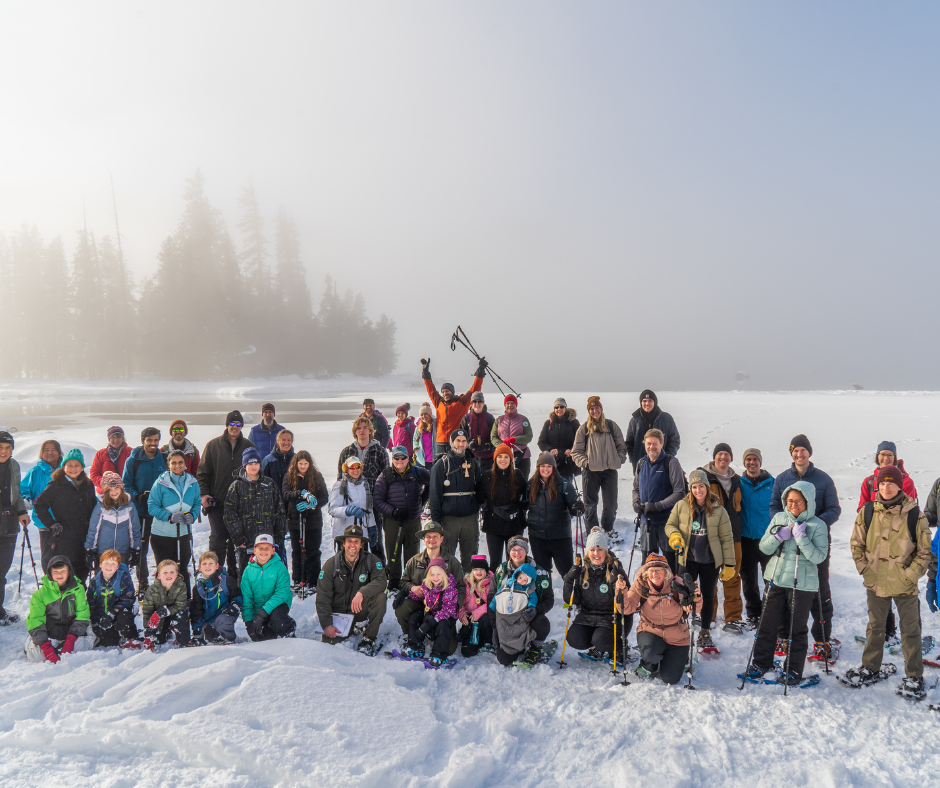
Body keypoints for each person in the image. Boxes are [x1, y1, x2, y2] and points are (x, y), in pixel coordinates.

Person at [845, 465, 931, 698]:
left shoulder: (915, 514)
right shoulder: (868, 511)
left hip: (904, 584)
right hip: (875, 581)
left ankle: (914, 675)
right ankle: (870, 667)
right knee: (875, 627)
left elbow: (924, 553)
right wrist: (865, 569)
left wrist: (909, 576)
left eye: (891, 483)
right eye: (882, 483)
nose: (886, 487)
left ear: (900, 485)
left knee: (910, 630)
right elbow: (856, 544)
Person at [742, 482, 829, 685]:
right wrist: (778, 536)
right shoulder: (779, 518)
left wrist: (801, 539)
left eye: (798, 500)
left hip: (802, 585)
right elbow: (763, 547)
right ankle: (761, 663)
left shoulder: (818, 525)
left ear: (807, 501)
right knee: (767, 624)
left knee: (796, 629)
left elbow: (818, 557)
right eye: (790, 501)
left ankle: (793, 671)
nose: (793, 504)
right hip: (776, 579)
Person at [769, 434, 841, 650]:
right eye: (795, 450)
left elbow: (834, 509)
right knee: (785, 589)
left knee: (819, 590)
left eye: (803, 450)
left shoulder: (823, 479)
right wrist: (784, 526)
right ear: (791, 454)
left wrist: (814, 525)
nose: (799, 454)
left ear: (809, 452)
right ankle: (784, 636)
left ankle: (821, 639)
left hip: (816, 544)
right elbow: (774, 507)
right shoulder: (782, 479)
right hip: (788, 544)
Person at [664, 469, 735, 652]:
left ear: (707, 487)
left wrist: (729, 564)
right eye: (694, 487)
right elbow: (670, 525)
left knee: (707, 594)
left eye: (701, 486)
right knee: (683, 593)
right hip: (688, 558)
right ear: (691, 488)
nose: (698, 490)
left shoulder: (719, 510)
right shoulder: (681, 506)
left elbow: (727, 538)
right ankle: (679, 626)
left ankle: (704, 631)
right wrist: (674, 536)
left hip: (710, 560)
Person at [615, 554, 692, 685]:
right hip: (651, 630)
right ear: (646, 572)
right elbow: (626, 609)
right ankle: (649, 665)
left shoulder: (676, 583)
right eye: (651, 570)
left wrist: (695, 596)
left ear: (665, 571)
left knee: (670, 679)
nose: (654, 574)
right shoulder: (641, 584)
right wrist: (620, 591)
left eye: (658, 570)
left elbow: (691, 609)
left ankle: (680, 659)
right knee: (651, 653)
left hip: (677, 636)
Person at [198, 410, 257, 577]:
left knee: (237, 542)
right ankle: (214, 576)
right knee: (218, 539)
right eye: (232, 423)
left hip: (241, 505)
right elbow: (203, 473)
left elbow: (256, 474)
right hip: (217, 503)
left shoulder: (249, 447)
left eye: (238, 424)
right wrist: (204, 495)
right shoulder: (213, 445)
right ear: (227, 425)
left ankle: (235, 578)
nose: (235, 427)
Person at [316, 524, 386, 653]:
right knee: (329, 648)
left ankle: (369, 637)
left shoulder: (371, 560)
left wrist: (362, 592)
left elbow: (381, 581)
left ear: (361, 545)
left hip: (359, 609)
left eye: (356, 541)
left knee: (380, 597)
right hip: (339, 614)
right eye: (349, 541)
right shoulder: (331, 564)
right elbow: (322, 596)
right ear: (343, 543)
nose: (352, 545)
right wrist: (326, 624)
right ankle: (348, 628)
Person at [562, 527, 628, 659]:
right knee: (574, 639)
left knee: (602, 640)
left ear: (606, 551)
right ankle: (596, 646)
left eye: (600, 549)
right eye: (592, 550)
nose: (596, 553)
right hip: (588, 616)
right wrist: (569, 580)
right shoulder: (582, 571)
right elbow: (572, 600)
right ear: (588, 552)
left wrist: (618, 583)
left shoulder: (615, 568)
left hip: (611, 617)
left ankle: (619, 646)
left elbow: (626, 601)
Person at [699, 443, 745, 633]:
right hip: (711, 536)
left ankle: (733, 618)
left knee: (733, 576)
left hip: (733, 536)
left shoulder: (737, 480)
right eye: (720, 454)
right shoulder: (704, 477)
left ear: (731, 458)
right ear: (714, 457)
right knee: (709, 578)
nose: (723, 458)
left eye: (726, 454)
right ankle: (707, 616)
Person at [395, 522, 465, 646]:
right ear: (423, 539)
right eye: (428, 536)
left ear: (441, 539)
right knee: (402, 607)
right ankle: (411, 635)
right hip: (420, 602)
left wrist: (454, 607)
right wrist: (412, 587)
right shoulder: (414, 560)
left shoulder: (452, 562)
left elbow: (461, 587)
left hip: (443, 609)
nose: (431, 540)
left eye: (435, 536)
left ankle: (433, 631)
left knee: (449, 649)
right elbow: (403, 581)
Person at [489, 536, 554, 666]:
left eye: (520, 549)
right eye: (513, 549)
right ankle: (518, 646)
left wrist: (536, 610)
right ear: (509, 551)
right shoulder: (501, 571)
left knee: (542, 622)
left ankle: (535, 648)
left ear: (526, 551)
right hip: (506, 621)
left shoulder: (539, 572)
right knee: (504, 660)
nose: (517, 553)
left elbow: (549, 600)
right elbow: (492, 596)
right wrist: (495, 627)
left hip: (528, 618)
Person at [34, 449, 98, 583]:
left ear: (82, 467)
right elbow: (40, 505)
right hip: (64, 539)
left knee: (82, 572)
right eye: (70, 465)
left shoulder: (88, 485)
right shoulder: (56, 485)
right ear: (64, 467)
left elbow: (93, 508)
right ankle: (64, 603)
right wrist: (51, 524)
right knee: (65, 574)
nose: (73, 469)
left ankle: (79, 601)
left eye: (77, 465)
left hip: (84, 538)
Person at [224, 447, 287, 577]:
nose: (253, 467)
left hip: (267, 542)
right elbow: (229, 514)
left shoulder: (269, 484)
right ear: (244, 465)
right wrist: (238, 537)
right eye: (250, 464)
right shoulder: (236, 486)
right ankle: (246, 598)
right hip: (246, 543)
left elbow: (280, 511)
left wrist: (279, 536)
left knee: (269, 576)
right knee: (247, 577)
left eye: (256, 464)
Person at [374, 445, 430, 590]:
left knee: (413, 550)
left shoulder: (417, 472)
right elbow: (378, 500)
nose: (400, 460)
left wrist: (421, 503)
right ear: (392, 459)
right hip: (393, 520)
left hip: (413, 519)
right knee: (393, 550)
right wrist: (393, 511)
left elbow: (431, 482)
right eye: (396, 457)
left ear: (408, 458)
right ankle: (394, 579)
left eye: (403, 457)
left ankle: (410, 579)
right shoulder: (385, 475)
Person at [428, 429, 484, 573]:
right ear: (452, 442)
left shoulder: (473, 463)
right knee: (446, 556)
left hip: (470, 518)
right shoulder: (442, 465)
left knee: (470, 554)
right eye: (458, 441)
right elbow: (434, 495)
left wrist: (479, 507)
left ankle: (468, 587)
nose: (461, 444)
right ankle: (446, 586)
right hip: (449, 519)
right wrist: (436, 522)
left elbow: (480, 489)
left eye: (464, 441)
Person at [570, 396, 627, 538]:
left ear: (601, 409)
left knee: (611, 504)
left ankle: (608, 529)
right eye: (591, 409)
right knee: (590, 504)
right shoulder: (584, 429)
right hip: (590, 472)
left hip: (609, 471)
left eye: (597, 408)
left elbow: (622, 447)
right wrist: (586, 463)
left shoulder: (611, 426)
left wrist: (618, 459)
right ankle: (593, 532)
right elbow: (576, 452)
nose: (595, 411)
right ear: (589, 411)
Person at [337, 416, 390, 560]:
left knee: (376, 542)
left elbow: (386, 480)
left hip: (373, 505)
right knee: (353, 541)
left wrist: (382, 504)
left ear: (370, 431)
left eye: (365, 427)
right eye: (358, 428)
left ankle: (380, 574)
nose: (362, 431)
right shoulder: (346, 452)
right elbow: (340, 480)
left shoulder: (380, 452)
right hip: (351, 506)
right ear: (355, 431)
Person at [24, 555, 95, 663]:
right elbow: (36, 620)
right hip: (50, 631)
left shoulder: (78, 589)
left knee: (81, 653)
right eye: (55, 572)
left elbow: (82, 615)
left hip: (71, 630)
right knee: (36, 658)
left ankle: (88, 637)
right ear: (50, 573)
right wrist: (46, 646)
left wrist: (71, 640)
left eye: (63, 571)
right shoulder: (40, 595)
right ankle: (31, 641)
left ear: (69, 572)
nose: (59, 575)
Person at [633, 429, 686, 572]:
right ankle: (650, 593)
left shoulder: (671, 462)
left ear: (661, 444)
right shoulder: (641, 463)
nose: (652, 447)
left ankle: (672, 592)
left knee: (670, 563)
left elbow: (679, 492)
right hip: (646, 522)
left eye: (655, 444)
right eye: (648, 443)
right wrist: (636, 502)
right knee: (648, 564)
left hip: (667, 522)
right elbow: (636, 488)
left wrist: (658, 506)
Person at [122, 427, 168, 590]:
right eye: (149, 440)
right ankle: (143, 582)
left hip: (159, 512)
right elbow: (126, 483)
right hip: (140, 511)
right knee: (141, 548)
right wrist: (137, 496)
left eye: (156, 440)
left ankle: (164, 580)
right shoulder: (133, 460)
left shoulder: (164, 458)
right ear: (143, 441)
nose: (153, 443)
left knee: (161, 547)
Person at [148, 449, 201, 591]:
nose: (177, 465)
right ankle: (161, 600)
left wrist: (193, 515)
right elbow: (152, 506)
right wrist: (169, 517)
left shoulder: (192, 482)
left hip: (183, 533)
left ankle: (185, 600)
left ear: (185, 464)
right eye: (174, 463)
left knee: (182, 568)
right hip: (162, 535)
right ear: (168, 464)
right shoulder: (161, 482)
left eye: (180, 462)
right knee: (165, 570)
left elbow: (197, 502)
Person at [526, 452, 582, 578]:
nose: (546, 469)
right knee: (542, 575)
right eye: (543, 466)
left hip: (560, 538)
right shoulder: (530, 485)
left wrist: (579, 506)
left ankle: (572, 597)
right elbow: (523, 506)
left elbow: (575, 510)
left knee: (568, 574)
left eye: (549, 466)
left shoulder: (564, 485)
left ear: (554, 467)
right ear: (538, 467)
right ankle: (547, 598)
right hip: (537, 538)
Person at [282, 450, 329, 595]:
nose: (303, 466)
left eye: (305, 464)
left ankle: (313, 581)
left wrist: (312, 505)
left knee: (313, 552)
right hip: (295, 521)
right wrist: (300, 493)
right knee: (297, 551)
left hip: (313, 521)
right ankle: (298, 579)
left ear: (310, 463)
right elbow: (285, 493)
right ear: (296, 463)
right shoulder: (289, 476)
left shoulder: (316, 476)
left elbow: (324, 497)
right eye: (300, 463)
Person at [421, 356, 486, 460]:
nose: (445, 393)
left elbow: (475, 389)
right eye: (443, 392)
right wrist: (426, 374)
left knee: (456, 467)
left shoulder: (462, 402)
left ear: (452, 392)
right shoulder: (439, 402)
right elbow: (431, 390)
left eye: (447, 391)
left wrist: (480, 372)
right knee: (441, 468)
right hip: (441, 442)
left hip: (457, 440)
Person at [739, 448, 774, 628]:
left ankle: (769, 612)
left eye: (755, 460)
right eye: (748, 460)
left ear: (760, 462)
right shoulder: (739, 482)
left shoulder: (772, 483)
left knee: (770, 577)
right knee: (748, 578)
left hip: (767, 538)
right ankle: (753, 613)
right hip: (745, 538)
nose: (752, 463)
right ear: (744, 462)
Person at [480, 443, 528, 571]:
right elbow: (479, 497)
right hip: (493, 524)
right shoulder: (486, 476)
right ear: (495, 459)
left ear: (511, 459)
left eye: (506, 457)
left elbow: (527, 495)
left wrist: (522, 509)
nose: (503, 459)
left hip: (514, 524)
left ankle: (514, 588)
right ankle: (495, 589)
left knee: (514, 561)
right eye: (500, 456)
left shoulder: (517, 475)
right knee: (495, 562)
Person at [404, 557, 459, 666]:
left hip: (444, 620)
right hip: (430, 617)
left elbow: (448, 610)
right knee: (414, 617)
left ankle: (438, 655)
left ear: (444, 574)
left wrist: (431, 622)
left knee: (442, 625)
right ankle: (415, 647)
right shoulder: (427, 586)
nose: (435, 578)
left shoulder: (450, 589)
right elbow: (420, 596)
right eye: (432, 575)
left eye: (438, 574)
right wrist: (406, 594)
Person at [241, 534, 296, 641]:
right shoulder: (248, 571)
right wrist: (249, 623)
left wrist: (262, 614)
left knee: (278, 621)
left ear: (273, 550)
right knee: (264, 638)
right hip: (259, 609)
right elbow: (246, 598)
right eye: (260, 548)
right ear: (255, 550)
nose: (264, 551)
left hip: (278, 605)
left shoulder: (280, 567)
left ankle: (289, 632)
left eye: (267, 548)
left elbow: (282, 593)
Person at [0, 431, 30, 625]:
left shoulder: (14, 465)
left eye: (8, 447)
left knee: (2, 568)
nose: (4, 451)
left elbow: (17, 492)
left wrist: (21, 511)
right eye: (1, 447)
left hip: (8, 521)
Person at [85, 472, 141, 569]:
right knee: (102, 578)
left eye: (116, 488)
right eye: (110, 489)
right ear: (106, 491)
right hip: (103, 551)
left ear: (121, 488)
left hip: (122, 551)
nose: (114, 492)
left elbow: (134, 529)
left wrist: (136, 548)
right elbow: (93, 530)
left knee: (121, 578)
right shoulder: (100, 507)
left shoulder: (129, 506)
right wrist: (90, 550)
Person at [87, 549, 139, 648]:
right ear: (100, 564)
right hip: (101, 614)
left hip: (118, 612)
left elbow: (129, 598)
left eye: (113, 563)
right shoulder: (95, 581)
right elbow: (91, 601)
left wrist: (112, 612)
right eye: (106, 563)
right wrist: (94, 622)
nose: (109, 567)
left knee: (124, 618)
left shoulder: (123, 578)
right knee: (108, 642)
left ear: (118, 566)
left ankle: (129, 637)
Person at [19, 438, 62, 558]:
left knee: (64, 554)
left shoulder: (67, 470)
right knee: (48, 555)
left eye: (53, 450)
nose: (49, 453)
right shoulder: (35, 471)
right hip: (43, 520)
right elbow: (23, 489)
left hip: (64, 519)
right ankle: (48, 576)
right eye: (46, 450)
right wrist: (26, 498)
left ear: (59, 452)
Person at [190, 551, 242, 645]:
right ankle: (213, 633)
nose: (207, 566)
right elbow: (197, 610)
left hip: (225, 615)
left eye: (211, 563)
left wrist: (234, 606)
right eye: (204, 564)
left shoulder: (226, 581)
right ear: (199, 568)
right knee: (211, 639)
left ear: (217, 566)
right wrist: (197, 631)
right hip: (208, 620)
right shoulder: (198, 587)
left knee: (222, 622)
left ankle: (230, 639)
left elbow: (236, 595)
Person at [329, 456, 378, 552]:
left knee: (361, 563)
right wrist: (347, 510)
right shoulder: (340, 485)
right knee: (344, 564)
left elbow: (368, 508)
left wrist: (372, 526)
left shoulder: (365, 484)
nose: (355, 470)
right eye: (352, 467)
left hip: (361, 533)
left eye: (358, 466)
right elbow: (333, 509)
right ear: (346, 469)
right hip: (344, 534)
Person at [140, 559, 191, 649]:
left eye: (172, 572)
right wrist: (148, 629)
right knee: (160, 640)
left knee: (181, 615)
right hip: (158, 618)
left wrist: (166, 611)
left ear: (176, 574)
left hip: (174, 614)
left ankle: (183, 642)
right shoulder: (151, 590)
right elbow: (147, 611)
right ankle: (164, 632)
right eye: (165, 572)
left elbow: (181, 604)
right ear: (159, 576)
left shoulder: (181, 586)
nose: (169, 575)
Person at [625, 390, 680, 470]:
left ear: (655, 402)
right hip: (641, 465)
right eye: (644, 401)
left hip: (662, 465)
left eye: (650, 401)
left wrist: (667, 457)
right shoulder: (635, 420)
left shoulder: (666, 418)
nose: (647, 404)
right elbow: (629, 443)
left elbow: (674, 440)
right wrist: (634, 459)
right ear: (641, 402)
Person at [857, 441, 918, 512]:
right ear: (877, 456)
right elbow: (862, 510)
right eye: (882, 454)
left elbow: (910, 510)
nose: (886, 458)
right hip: (874, 522)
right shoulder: (869, 482)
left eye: (890, 455)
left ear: (894, 458)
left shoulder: (906, 482)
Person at [457, 555, 494, 657]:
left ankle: (488, 641)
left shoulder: (491, 583)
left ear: (486, 571)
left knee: (486, 618)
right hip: (471, 620)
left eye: (482, 569)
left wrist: (477, 613)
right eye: (476, 569)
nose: (478, 572)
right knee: (467, 653)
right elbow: (461, 603)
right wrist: (462, 614)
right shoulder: (467, 584)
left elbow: (493, 602)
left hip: (484, 619)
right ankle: (474, 638)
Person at [491, 395, 534, 480]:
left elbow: (529, 436)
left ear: (516, 405)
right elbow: (493, 437)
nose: (510, 405)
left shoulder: (523, 420)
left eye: (512, 403)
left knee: (522, 481)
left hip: (522, 455)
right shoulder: (499, 420)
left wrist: (515, 439)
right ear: (505, 405)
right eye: (507, 403)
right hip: (503, 457)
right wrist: (502, 446)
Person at [537, 398, 580, 480]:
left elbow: (579, 441)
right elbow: (541, 442)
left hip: (568, 461)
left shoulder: (574, 422)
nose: (559, 409)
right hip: (553, 460)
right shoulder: (548, 423)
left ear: (565, 408)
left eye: (561, 407)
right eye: (556, 407)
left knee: (566, 487)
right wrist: (550, 450)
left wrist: (572, 450)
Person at [89, 426, 131, 494]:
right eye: (113, 437)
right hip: (105, 494)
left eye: (118, 437)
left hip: (126, 493)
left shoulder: (131, 453)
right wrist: (106, 483)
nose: (116, 440)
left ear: (123, 438)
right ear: (108, 439)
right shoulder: (101, 454)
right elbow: (94, 475)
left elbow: (136, 474)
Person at [460, 392, 495, 474]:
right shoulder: (466, 419)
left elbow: (495, 439)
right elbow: (460, 439)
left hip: (488, 459)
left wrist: (486, 446)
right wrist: (468, 445)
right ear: (471, 404)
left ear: (483, 403)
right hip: (471, 458)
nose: (477, 404)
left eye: (480, 402)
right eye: (474, 402)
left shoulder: (490, 418)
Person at [261, 429, 295, 493]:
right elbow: (262, 481)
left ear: (292, 442)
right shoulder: (268, 460)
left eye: (289, 440)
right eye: (283, 440)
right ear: (277, 441)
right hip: (273, 500)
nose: (286, 443)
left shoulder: (296, 460)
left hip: (292, 500)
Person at [413, 403, 436, 470]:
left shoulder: (435, 425)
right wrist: (416, 449)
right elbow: (415, 439)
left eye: (425, 414)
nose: (424, 416)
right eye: (422, 415)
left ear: (430, 414)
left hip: (433, 458)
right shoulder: (419, 427)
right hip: (421, 459)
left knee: (432, 478)